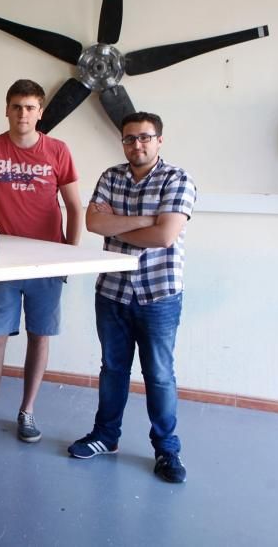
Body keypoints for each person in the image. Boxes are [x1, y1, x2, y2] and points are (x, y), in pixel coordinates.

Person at [68, 111, 196, 484]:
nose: (136, 144)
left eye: (144, 137)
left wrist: (123, 222)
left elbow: (165, 237)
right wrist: (148, 219)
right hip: (112, 292)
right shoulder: (110, 177)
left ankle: (167, 450)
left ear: (159, 140)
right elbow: (94, 223)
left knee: (158, 376)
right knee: (112, 370)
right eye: (129, 138)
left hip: (159, 295)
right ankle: (106, 437)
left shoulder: (178, 179)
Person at [0, 79, 83, 448]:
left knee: (39, 337)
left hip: (47, 262)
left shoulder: (58, 150)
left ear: (41, 112)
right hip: (2, 263)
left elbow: (76, 208)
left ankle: (27, 412)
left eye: (30, 107)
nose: (23, 114)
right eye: (17, 106)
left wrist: (69, 257)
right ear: (6, 109)